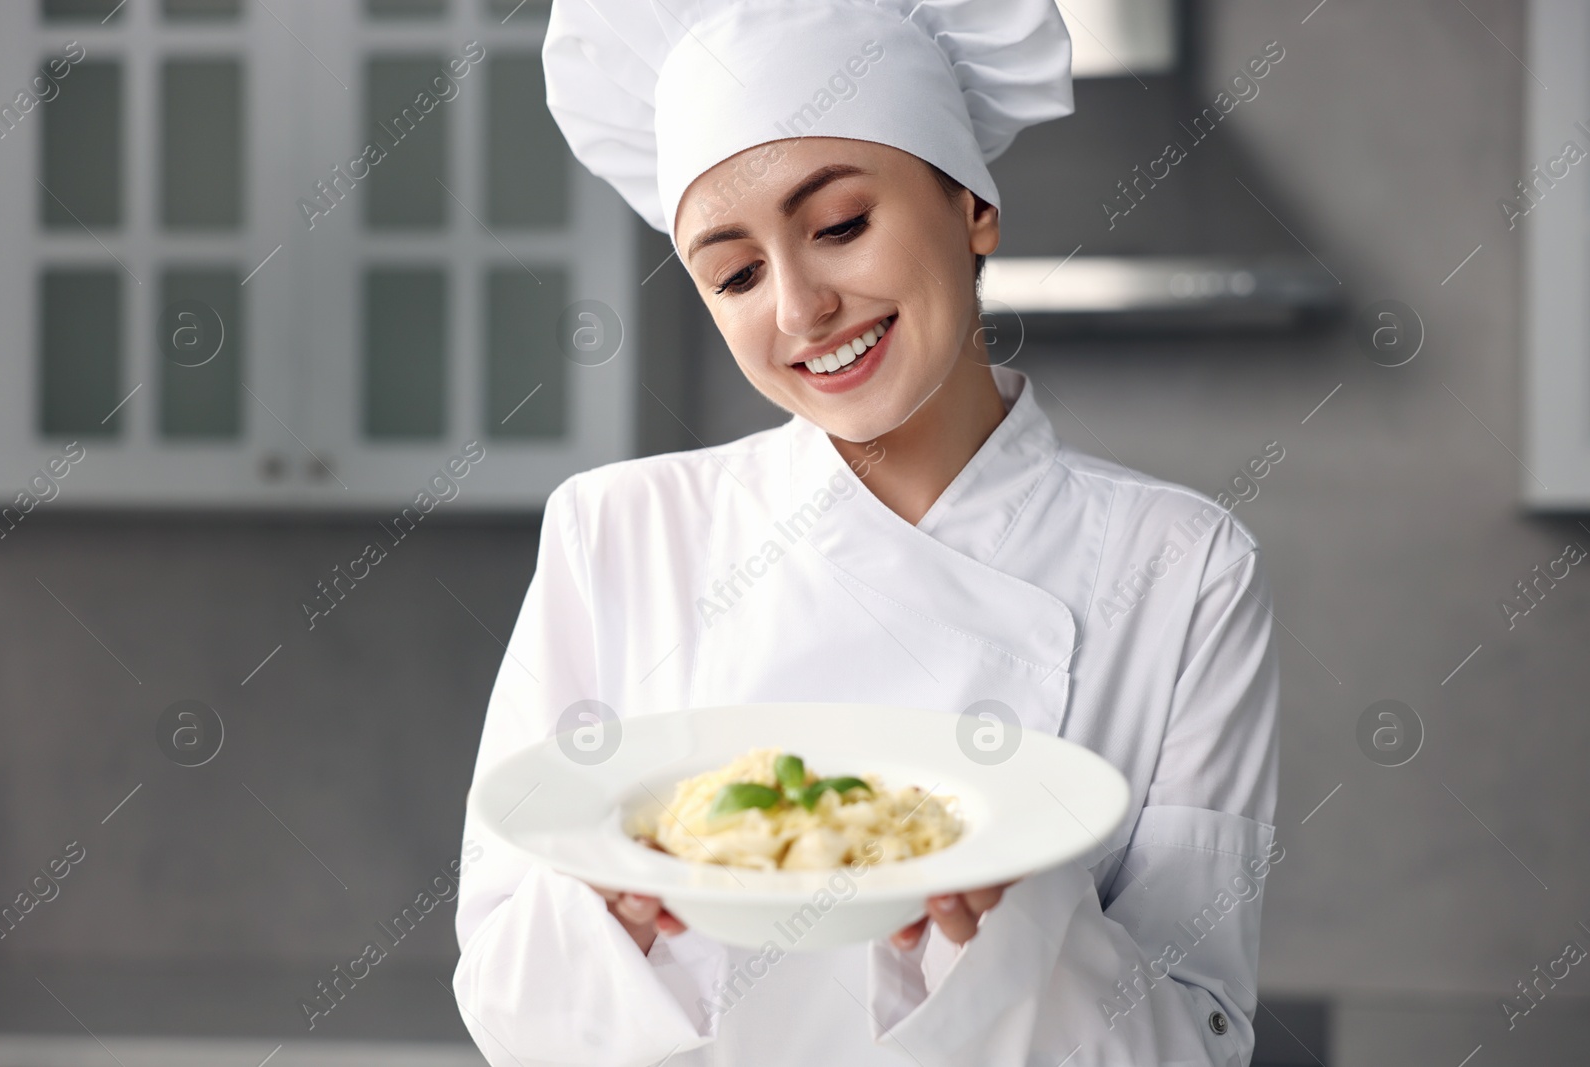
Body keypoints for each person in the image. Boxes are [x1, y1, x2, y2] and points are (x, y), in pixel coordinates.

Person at [453, 1, 1280, 1064]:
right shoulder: (616, 531)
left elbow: (1197, 1037)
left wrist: (1016, 918)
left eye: (840, 224)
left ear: (972, 204)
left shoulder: (1184, 567)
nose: (800, 308)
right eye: (736, 273)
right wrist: (603, 911)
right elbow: (507, 985)